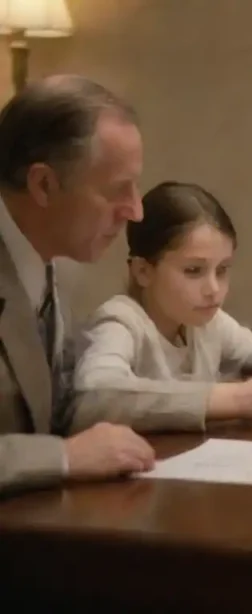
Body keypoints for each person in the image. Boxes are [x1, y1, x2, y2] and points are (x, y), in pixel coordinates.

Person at [73, 181, 252, 433]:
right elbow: (94, 395)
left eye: (223, 270)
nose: (214, 289)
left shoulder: (207, 323)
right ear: (143, 271)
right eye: (194, 270)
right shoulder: (119, 322)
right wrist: (238, 399)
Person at [0, 75, 157, 494]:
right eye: (117, 190)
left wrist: (237, 398)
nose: (136, 211)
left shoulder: (48, 260)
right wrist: (65, 458)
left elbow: (70, 401)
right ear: (44, 185)